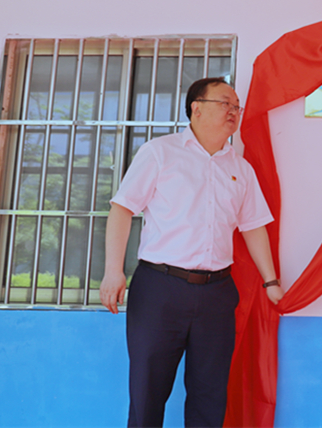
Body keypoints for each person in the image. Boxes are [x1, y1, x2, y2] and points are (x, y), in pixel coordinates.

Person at [99, 77, 285, 428]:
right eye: (225, 103)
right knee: (148, 390)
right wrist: (113, 271)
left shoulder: (240, 169)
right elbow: (122, 209)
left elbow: (253, 227)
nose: (233, 111)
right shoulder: (160, 153)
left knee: (210, 394)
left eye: (236, 106)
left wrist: (271, 281)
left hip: (217, 293)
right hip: (160, 289)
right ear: (196, 108)